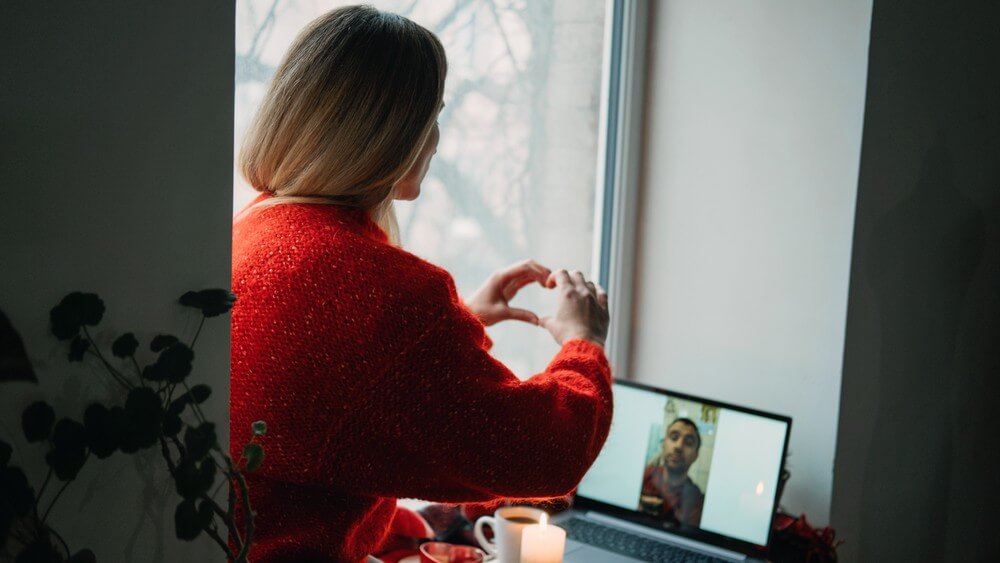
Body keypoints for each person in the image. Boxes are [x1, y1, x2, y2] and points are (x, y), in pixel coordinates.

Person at [229, 6, 613, 562]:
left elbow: (330, 373)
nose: (434, 139)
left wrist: (462, 321)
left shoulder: (253, 229)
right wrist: (585, 342)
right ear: (389, 133)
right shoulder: (385, 293)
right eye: (430, 117)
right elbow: (545, 456)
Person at [639, 418, 705, 527]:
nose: (678, 446)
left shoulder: (696, 501)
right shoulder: (643, 475)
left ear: (695, 456)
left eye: (688, 442)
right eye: (674, 437)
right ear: (663, 444)